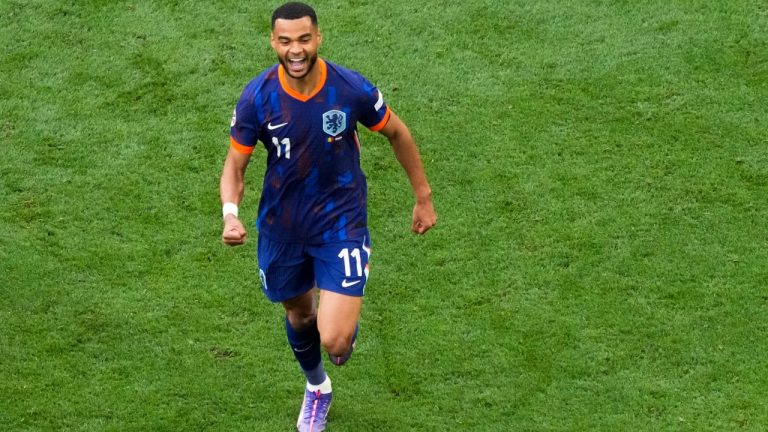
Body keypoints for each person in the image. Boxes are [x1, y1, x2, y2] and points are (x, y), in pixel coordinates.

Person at [219, 2, 436, 431]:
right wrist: (230, 214)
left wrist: (423, 196)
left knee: (334, 338)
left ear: (318, 38)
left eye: (303, 39)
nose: (295, 50)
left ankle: (340, 321)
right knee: (300, 316)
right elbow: (235, 167)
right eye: (285, 41)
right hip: (282, 228)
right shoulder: (257, 97)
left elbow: (396, 132)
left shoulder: (349, 89)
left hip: (341, 222)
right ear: (273, 43)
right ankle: (317, 388)